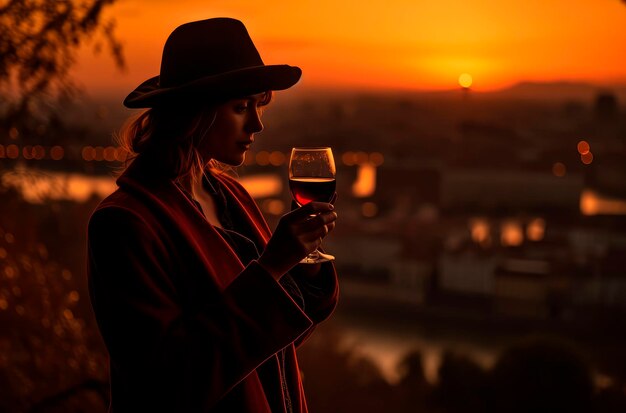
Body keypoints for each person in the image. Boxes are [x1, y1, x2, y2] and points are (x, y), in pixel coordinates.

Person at [87, 18, 339, 413]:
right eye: (241, 107)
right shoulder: (124, 224)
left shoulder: (232, 194)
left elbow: (268, 341)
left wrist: (301, 266)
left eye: (259, 105)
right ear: (193, 113)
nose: (257, 124)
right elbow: (166, 385)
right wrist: (272, 265)